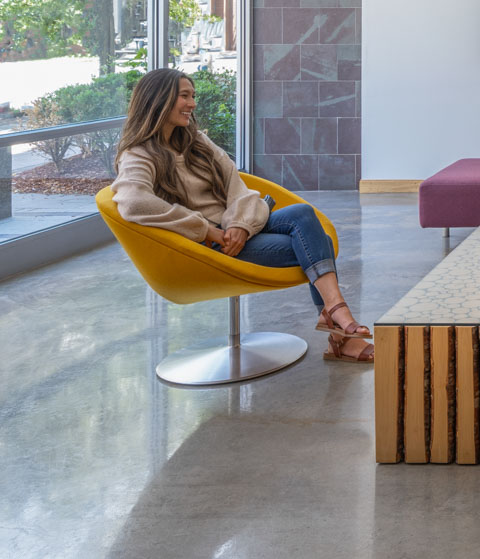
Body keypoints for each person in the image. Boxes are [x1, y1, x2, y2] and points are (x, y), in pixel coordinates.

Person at [113, 68, 373, 362]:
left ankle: (336, 317)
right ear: (158, 100)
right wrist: (205, 230)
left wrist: (240, 224)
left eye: (192, 96)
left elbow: (236, 184)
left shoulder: (195, 141)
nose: (193, 103)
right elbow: (134, 202)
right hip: (212, 247)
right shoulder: (138, 154)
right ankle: (339, 329)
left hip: (237, 231)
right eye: (184, 96)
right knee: (315, 244)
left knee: (302, 215)